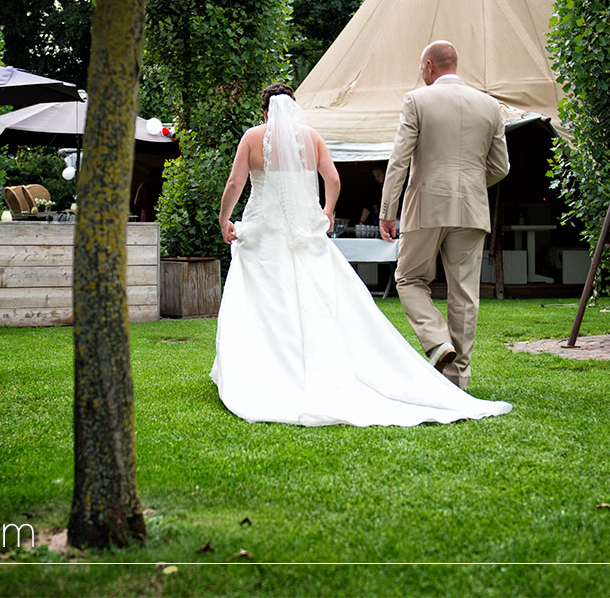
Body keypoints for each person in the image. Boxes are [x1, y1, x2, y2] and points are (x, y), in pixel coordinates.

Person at [212, 83, 511, 426]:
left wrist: (225, 220)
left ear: (265, 111)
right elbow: (333, 179)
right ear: (294, 108)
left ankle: (262, 368)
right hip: (305, 231)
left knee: (263, 299)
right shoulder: (310, 137)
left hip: (263, 230)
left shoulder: (252, 137)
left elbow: (235, 184)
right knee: (313, 298)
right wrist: (327, 211)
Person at [379, 41, 510, 390]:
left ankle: (437, 341)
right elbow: (501, 166)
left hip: (426, 205)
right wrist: (468, 185)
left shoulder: (416, 100)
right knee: (465, 294)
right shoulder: (491, 105)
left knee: (408, 278)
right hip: (472, 207)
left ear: (428, 67)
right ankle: (457, 378)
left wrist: (387, 211)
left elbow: (399, 160)